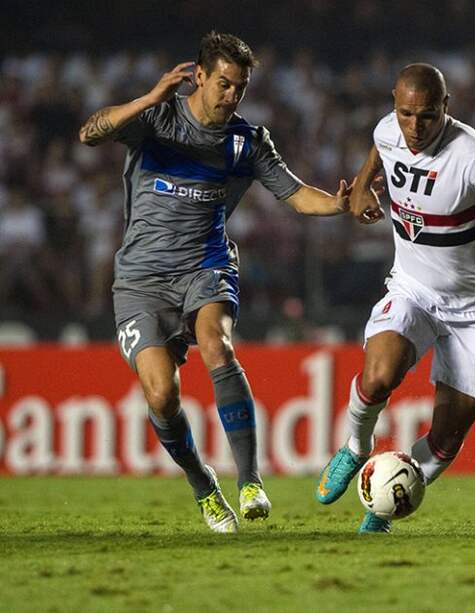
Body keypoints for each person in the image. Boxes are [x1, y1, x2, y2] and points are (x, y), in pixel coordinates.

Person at [78, 31, 354, 533]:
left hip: (206, 267)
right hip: (140, 280)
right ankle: (205, 486)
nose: (231, 96)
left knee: (217, 344)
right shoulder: (157, 120)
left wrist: (339, 204)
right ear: (199, 76)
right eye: (223, 84)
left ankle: (250, 481)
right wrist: (147, 98)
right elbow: (89, 133)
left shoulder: (245, 141)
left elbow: (295, 195)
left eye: (240, 88)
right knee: (161, 394)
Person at [313, 63, 475, 533]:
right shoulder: (388, 130)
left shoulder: (474, 156)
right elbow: (379, 149)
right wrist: (359, 192)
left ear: (446, 108)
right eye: (406, 114)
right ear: (395, 106)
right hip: (412, 289)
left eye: (428, 116)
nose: (415, 127)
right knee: (379, 376)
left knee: (446, 435)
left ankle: (381, 506)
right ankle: (356, 447)